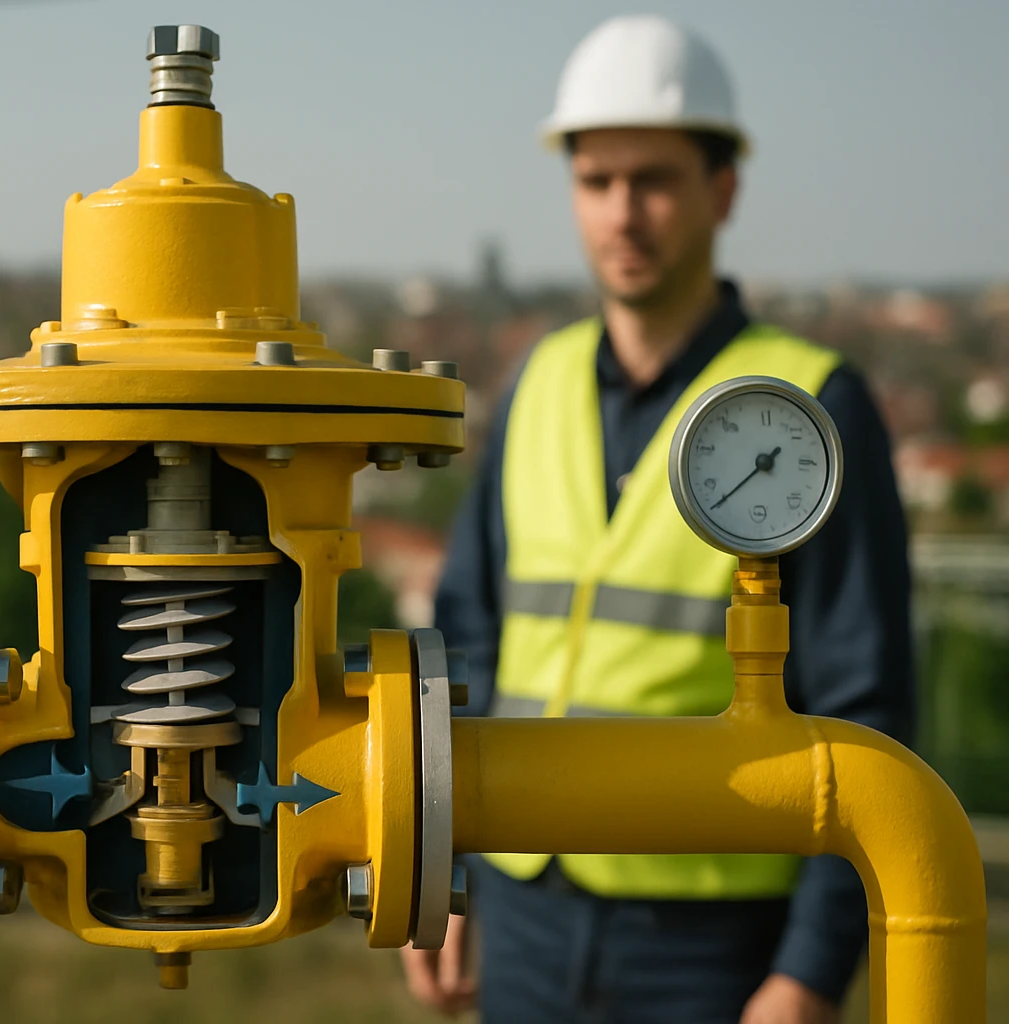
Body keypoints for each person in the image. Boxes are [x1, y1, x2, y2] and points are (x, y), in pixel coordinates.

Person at [400, 14, 914, 1024]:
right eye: (597, 182)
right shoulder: (536, 380)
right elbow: (465, 643)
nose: (622, 213)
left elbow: (867, 708)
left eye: (656, 180)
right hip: (526, 906)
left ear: (724, 189)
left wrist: (810, 971)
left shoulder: (812, 401)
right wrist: (444, 869)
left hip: (708, 939)